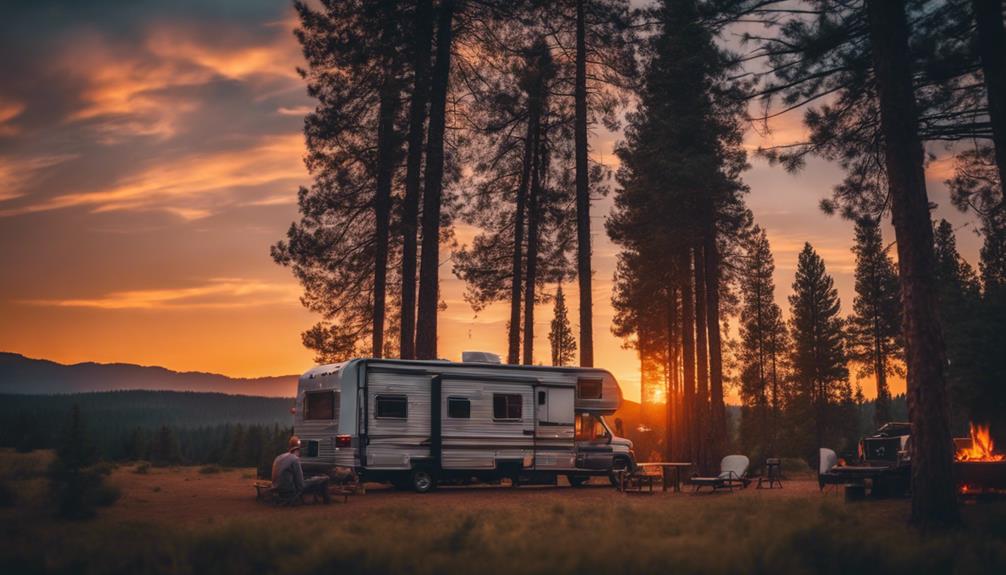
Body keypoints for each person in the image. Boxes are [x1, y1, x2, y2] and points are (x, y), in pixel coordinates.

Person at [271, 435, 330, 504]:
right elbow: (301, 485)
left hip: (276, 490)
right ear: (298, 449)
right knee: (325, 478)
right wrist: (315, 479)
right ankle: (327, 502)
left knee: (313, 479)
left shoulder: (278, 457)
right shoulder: (295, 459)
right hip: (289, 492)